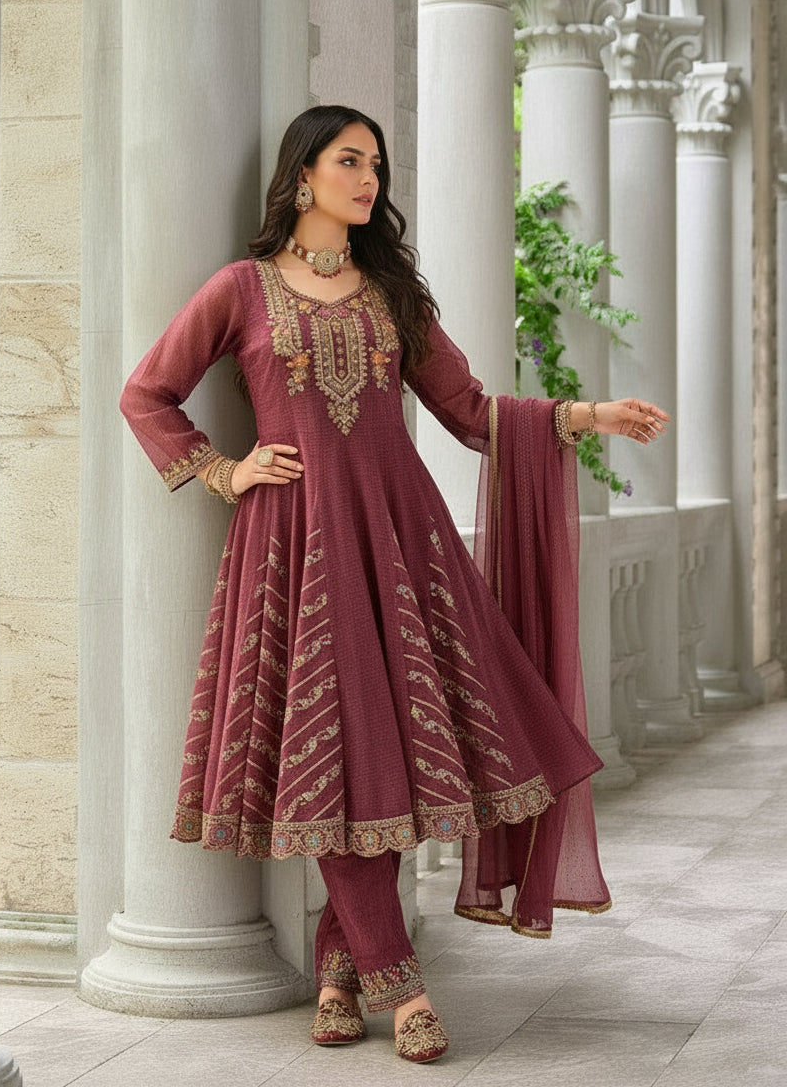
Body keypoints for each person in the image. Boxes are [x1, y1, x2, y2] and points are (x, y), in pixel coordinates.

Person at [120, 104, 669, 1063]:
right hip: (295, 546)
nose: (369, 178)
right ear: (302, 175)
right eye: (350, 160)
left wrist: (592, 415)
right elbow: (146, 393)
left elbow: (469, 410)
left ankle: (343, 967)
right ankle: (398, 982)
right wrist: (224, 471)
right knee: (331, 751)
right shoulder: (241, 290)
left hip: (400, 545)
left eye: (376, 163)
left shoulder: (390, 295)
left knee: (399, 751)